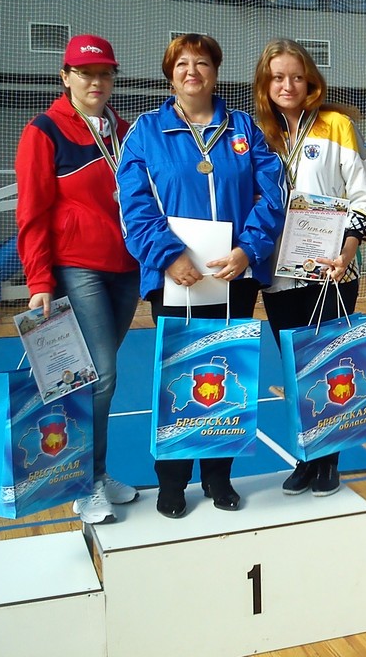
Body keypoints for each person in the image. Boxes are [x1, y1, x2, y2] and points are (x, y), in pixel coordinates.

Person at [117, 34, 286, 519]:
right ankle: (173, 481)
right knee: (178, 373)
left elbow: (272, 193)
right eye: (182, 64)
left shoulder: (244, 129)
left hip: (233, 275)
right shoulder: (147, 132)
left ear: (216, 71)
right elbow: (133, 203)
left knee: (229, 372)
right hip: (177, 277)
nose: (192, 71)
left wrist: (248, 250)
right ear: (170, 75)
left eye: (203, 63)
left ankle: (218, 476)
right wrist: (167, 256)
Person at [15, 34, 140, 525]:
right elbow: (32, 213)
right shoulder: (44, 131)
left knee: (95, 379)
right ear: (65, 77)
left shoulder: (123, 130)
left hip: (126, 268)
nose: (96, 82)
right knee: (100, 375)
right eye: (86, 73)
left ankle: (96, 472)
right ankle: (86, 485)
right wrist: (39, 280)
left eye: (105, 74)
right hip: (78, 267)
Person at [253, 38, 366, 497]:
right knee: (294, 373)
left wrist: (346, 254)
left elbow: (363, 200)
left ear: (310, 81)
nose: (287, 85)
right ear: (265, 83)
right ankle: (306, 458)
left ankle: (329, 461)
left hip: (331, 270)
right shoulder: (255, 133)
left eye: (296, 76)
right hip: (279, 275)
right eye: (277, 77)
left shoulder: (337, 126)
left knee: (330, 367)